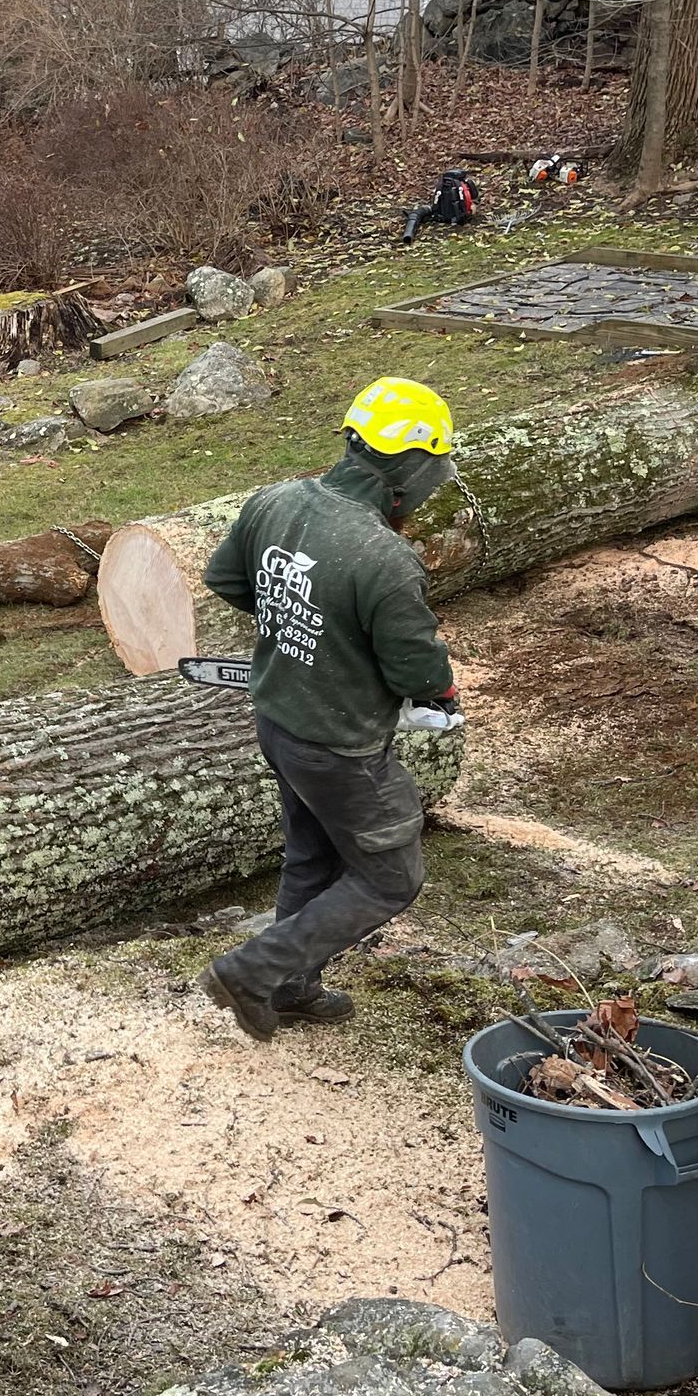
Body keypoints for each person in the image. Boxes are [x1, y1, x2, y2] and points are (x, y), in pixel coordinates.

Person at [197, 376, 464, 1041]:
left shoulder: (277, 500)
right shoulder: (385, 557)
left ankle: (289, 987)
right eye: (434, 469)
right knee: (389, 877)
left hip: (280, 724)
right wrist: (439, 699)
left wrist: (304, 624)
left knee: (313, 857)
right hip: (340, 748)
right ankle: (255, 970)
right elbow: (414, 662)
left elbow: (227, 578)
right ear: (408, 467)